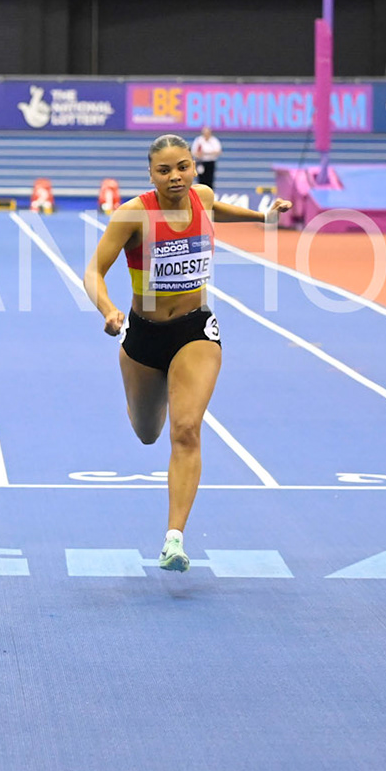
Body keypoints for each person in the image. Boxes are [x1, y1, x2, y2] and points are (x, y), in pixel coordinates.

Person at [84, 136, 288, 572]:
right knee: (147, 432)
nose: (175, 176)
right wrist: (107, 308)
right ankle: (146, 402)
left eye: (183, 167)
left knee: (187, 428)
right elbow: (94, 270)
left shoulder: (203, 197)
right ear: (151, 174)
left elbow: (217, 210)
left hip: (195, 330)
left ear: (194, 167)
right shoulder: (134, 214)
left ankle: (173, 538)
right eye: (164, 170)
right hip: (142, 336)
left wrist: (261, 216)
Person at [190, 126, 221, 191]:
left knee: (210, 180)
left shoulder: (214, 141)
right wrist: (201, 155)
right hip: (201, 162)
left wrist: (205, 153)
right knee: (201, 180)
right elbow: (194, 152)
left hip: (210, 162)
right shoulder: (199, 140)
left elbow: (218, 151)